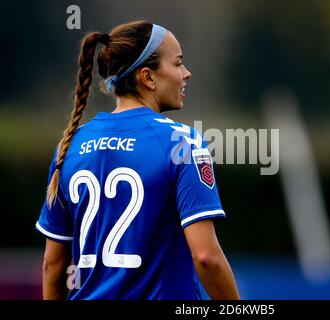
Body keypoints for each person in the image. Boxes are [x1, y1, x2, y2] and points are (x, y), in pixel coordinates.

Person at [35, 20, 240, 300]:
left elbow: (52, 264)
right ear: (148, 77)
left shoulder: (69, 146)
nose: (187, 73)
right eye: (178, 63)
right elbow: (207, 258)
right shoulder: (183, 143)